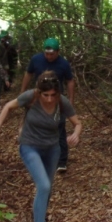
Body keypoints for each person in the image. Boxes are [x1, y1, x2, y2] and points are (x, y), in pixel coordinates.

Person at [0, 71, 82, 222]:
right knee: (43, 185)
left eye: (52, 95)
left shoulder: (62, 102)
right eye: (45, 95)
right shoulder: (32, 96)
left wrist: (76, 134)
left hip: (52, 148)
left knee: (47, 189)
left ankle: (39, 215)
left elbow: (77, 122)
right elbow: (8, 107)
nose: (49, 99)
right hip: (29, 146)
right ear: (40, 92)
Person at [20, 38, 75, 172]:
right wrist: (22, 92)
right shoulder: (36, 60)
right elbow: (28, 74)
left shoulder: (63, 64)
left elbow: (70, 81)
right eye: (47, 54)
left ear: (58, 52)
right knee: (34, 126)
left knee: (59, 128)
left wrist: (71, 100)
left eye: (52, 54)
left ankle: (61, 161)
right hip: (38, 100)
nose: (49, 57)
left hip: (56, 101)